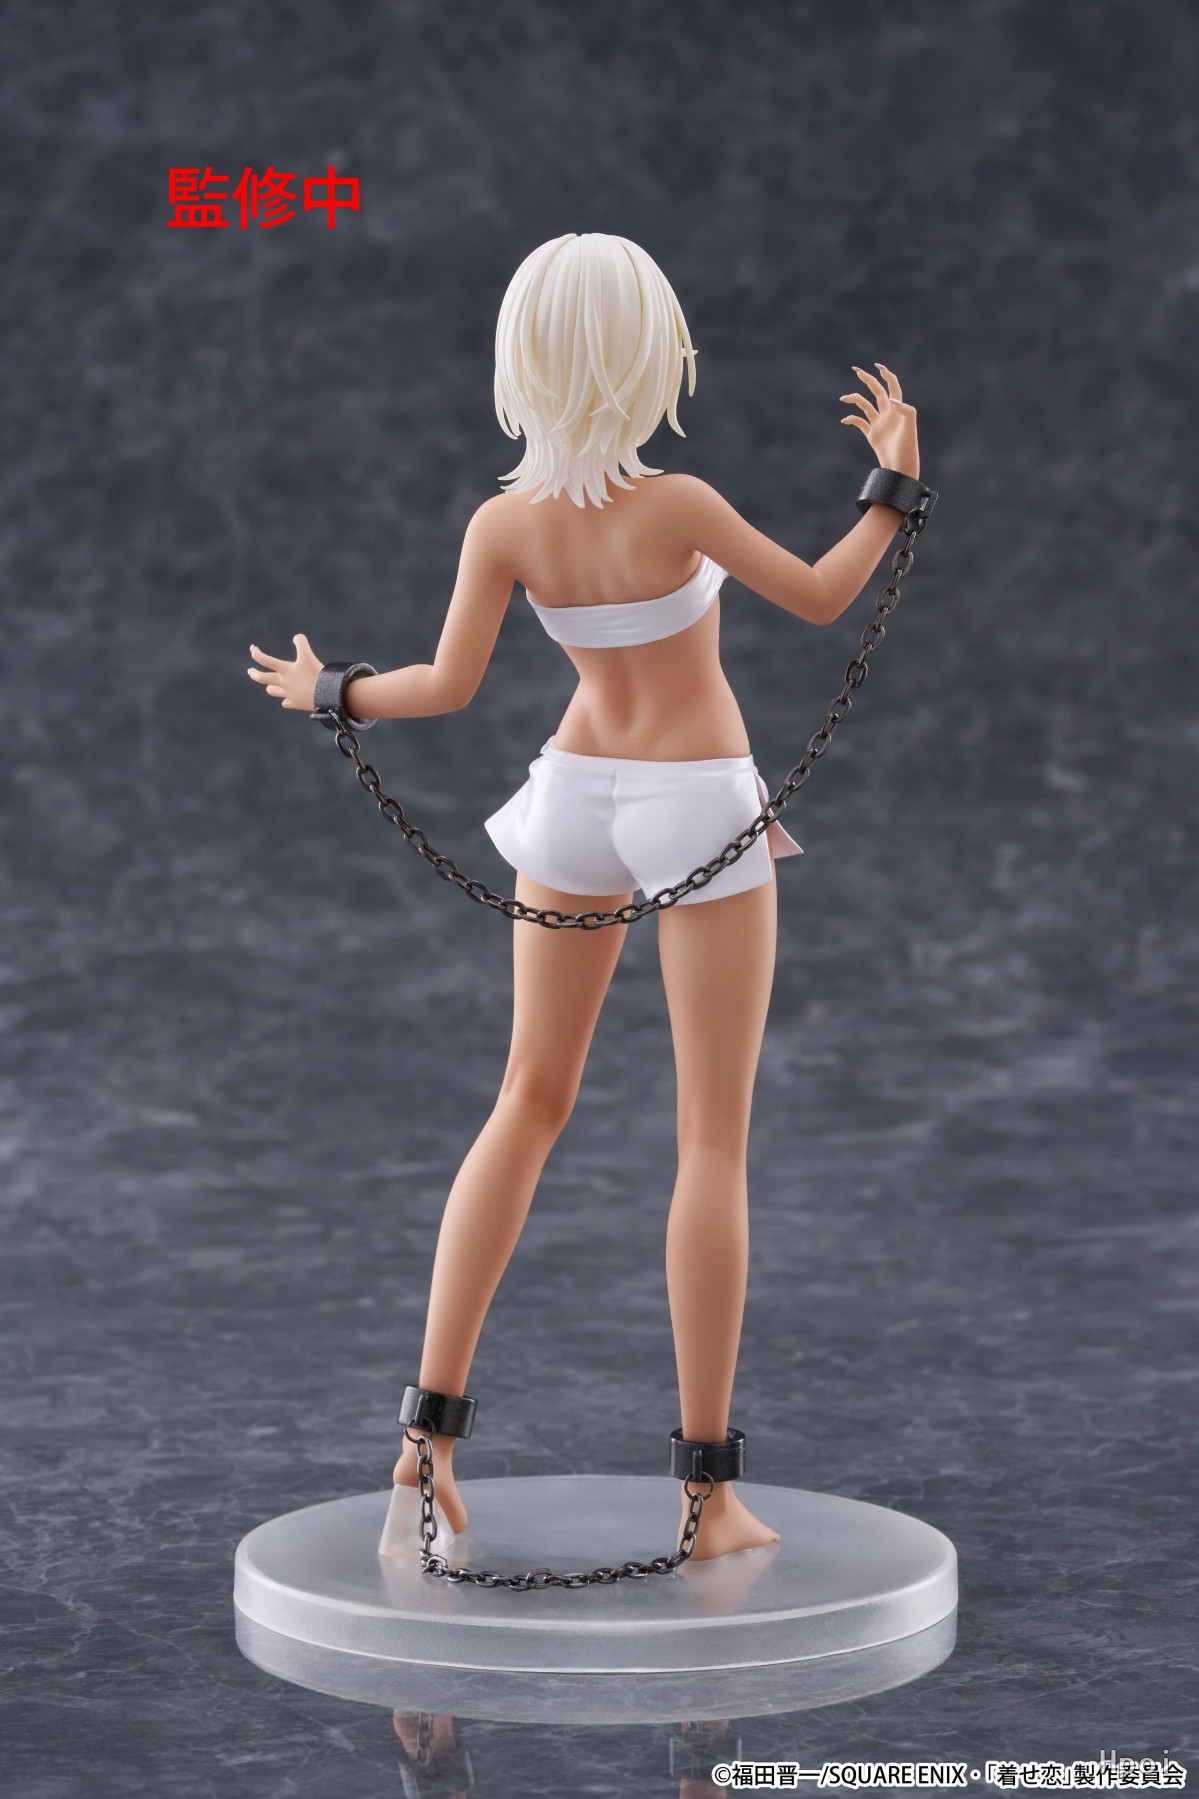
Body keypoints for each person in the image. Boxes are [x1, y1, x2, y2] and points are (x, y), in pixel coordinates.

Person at [247, 231, 921, 1561]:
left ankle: (425, 1439)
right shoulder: (678, 504)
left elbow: (444, 686)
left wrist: (333, 690)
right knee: (710, 1137)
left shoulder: (507, 524)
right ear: (645, 355)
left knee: (526, 1099)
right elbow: (822, 595)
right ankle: (707, 1496)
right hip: (693, 797)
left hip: (571, 793)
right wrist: (893, 486)